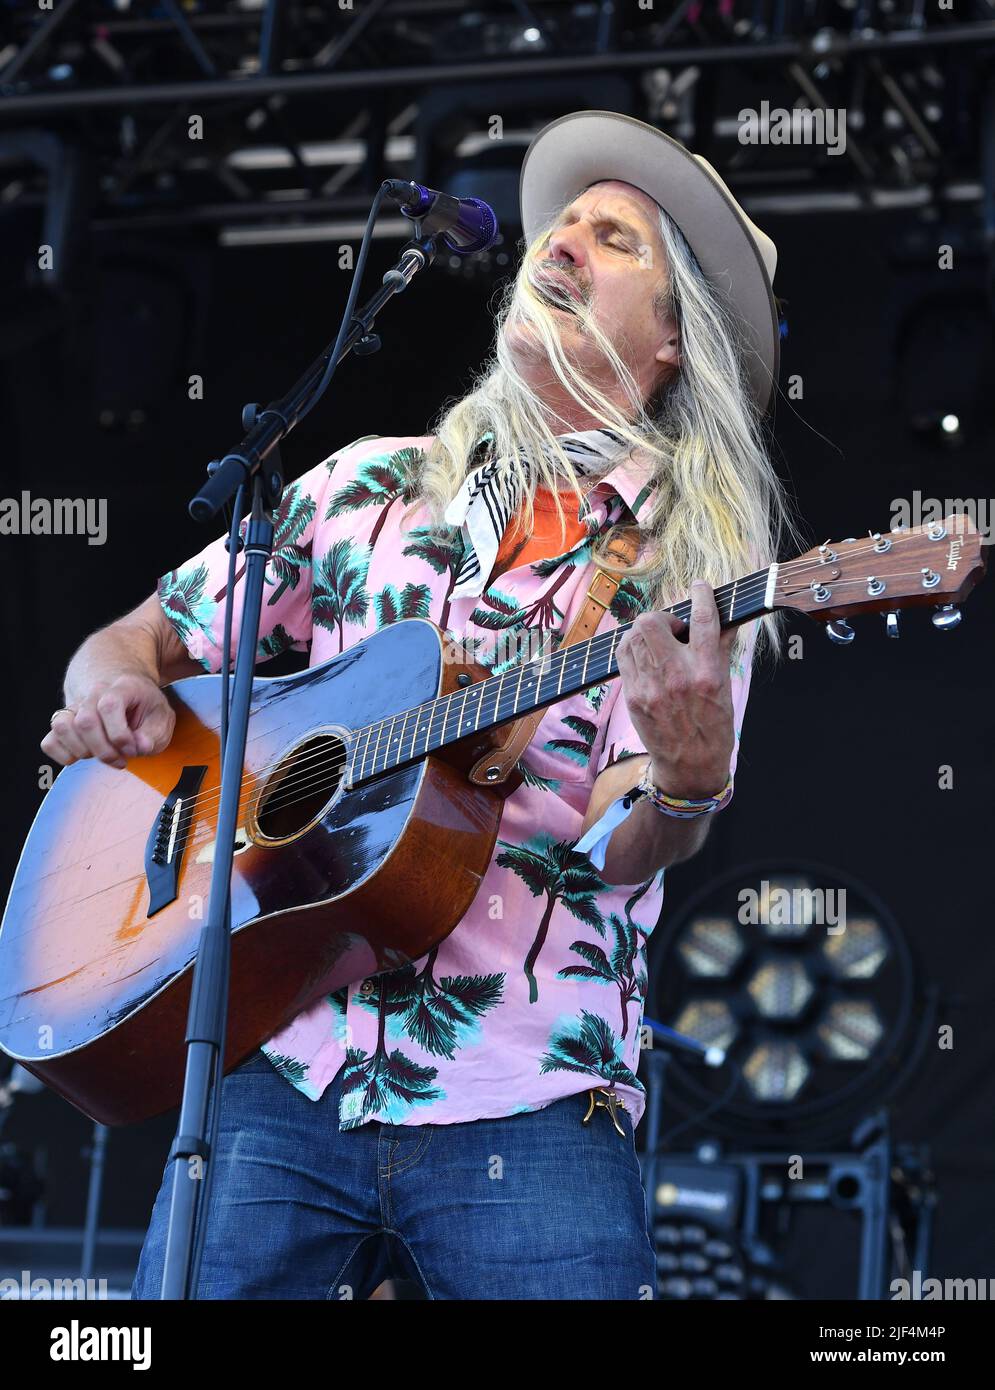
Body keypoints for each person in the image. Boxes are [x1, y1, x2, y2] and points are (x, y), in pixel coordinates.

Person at [41, 111, 794, 1300]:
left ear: (668, 342)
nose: (564, 246)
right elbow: (134, 640)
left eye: (613, 240)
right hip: (283, 1063)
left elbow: (619, 841)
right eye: (562, 226)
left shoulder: (692, 567)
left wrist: (687, 781)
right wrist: (119, 693)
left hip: (528, 1090)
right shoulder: (364, 487)